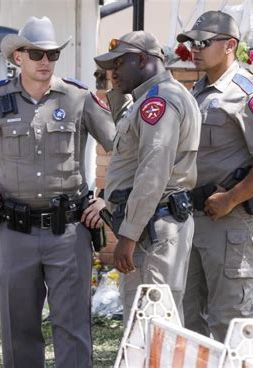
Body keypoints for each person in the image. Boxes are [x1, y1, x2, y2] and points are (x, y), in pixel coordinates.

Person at [0, 16, 115, 367]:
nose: (45, 61)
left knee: (73, 329)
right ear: (18, 57)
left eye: (52, 54)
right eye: (36, 54)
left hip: (68, 232)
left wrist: (106, 197)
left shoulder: (77, 97)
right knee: (18, 331)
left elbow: (121, 147)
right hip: (16, 232)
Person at [177, 11, 253, 341]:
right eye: (190, 42)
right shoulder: (197, 91)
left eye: (203, 42)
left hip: (233, 221)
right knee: (187, 319)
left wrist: (231, 198)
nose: (194, 49)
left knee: (229, 320)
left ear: (230, 45)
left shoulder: (250, 93)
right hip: (195, 217)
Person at [94, 31, 201, 324]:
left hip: (152, 227)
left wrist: (127, 235)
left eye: (119, 64)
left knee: (152, 322)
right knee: (146, 321)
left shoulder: (160, 102)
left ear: (143, 59)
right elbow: (129, 132)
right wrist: (114, 88)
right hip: (152, 224)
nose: (113, 71)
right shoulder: (151, 98)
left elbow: (153, 171)